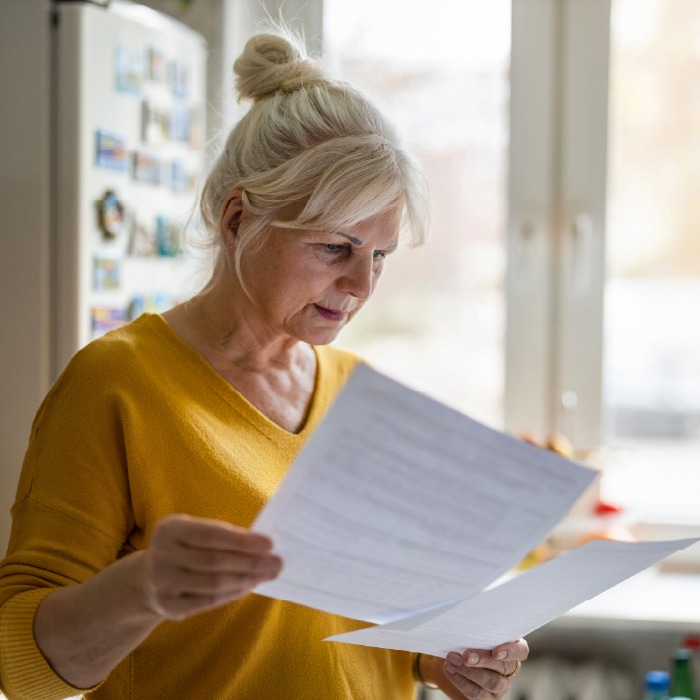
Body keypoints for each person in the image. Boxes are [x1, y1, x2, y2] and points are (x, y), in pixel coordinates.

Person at [0, 29, 528, 700]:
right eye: (336, 247)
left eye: (381, 255)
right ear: (237, 220)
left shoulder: (358, 393)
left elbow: (359, 622)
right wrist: (142, 591)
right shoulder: (117, 384)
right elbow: (18, 664)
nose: (363, 285)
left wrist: (439, 657)